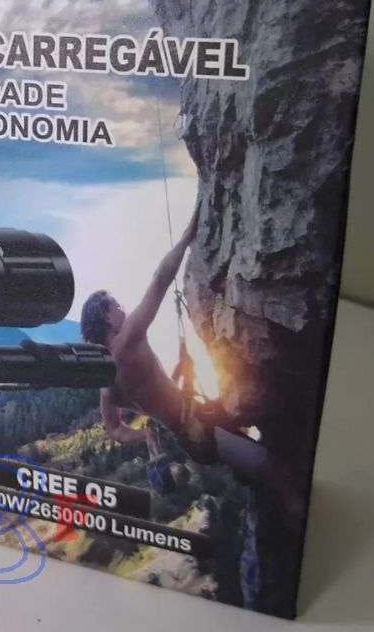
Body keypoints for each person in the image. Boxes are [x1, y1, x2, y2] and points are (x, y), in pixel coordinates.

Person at [81, 206, 300, 517]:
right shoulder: (127, 340)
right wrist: (187, 236)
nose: (123, 309)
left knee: (265, 453)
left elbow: (115, 426)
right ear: (106, 318)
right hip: (202, 424)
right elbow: (160, 279)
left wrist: (146, 433)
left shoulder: (105, 383)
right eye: (116, 305)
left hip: (190, 434)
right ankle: (300, 515)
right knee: (279, 475)